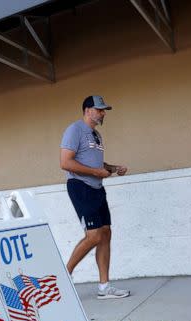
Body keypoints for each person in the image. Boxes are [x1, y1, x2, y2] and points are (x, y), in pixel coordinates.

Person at [60, 95, 130, 299]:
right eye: (99, 109)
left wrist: (113, 168)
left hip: (97, 188)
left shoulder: (96, 135)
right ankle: (64, 276)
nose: (103, 113)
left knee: (106, 233)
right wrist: (95, 173)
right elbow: (65, 162)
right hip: (81, 187)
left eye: (104, 110)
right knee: (94, 236)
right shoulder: (74, 130)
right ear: (87, 110)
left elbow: (96, 164)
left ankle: (104, 287)